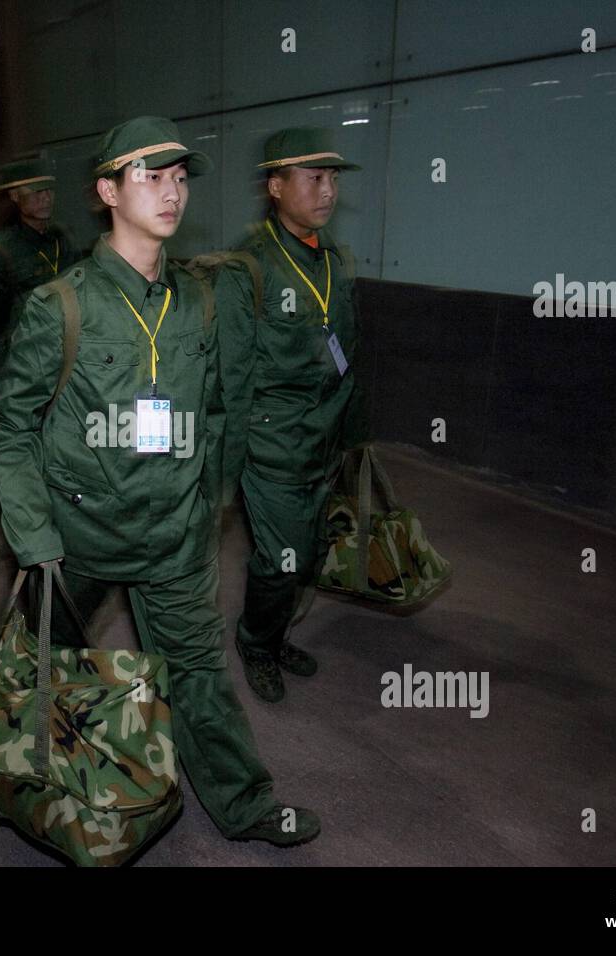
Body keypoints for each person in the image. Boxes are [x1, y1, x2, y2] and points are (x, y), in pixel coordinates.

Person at [0, 116, 320, 847]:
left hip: (174, 534)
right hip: (76, 540)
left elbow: (220, 411)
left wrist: (213, 503)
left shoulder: (197, 299)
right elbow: (8, 427)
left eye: (179, 178)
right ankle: (19, 782)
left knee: (200, 672)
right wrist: (34, 538)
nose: (171, 191)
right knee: (43, 668)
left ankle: (243, 804)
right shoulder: (62, 306)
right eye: (150, 174)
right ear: (107, 190)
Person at [216, 127, 362, 702]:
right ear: (276, 187)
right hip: (272, 446)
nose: (328, 191)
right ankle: (255, 644)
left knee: (311, 556)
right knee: (282, 561)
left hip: (324, 442)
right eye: (314, 178)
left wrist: (354, 441)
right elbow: (230, 377)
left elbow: (349, 354)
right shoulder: (247, 269)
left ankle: (273, 637)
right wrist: (226, 475)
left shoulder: (334, 259)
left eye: (332, 180)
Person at [0, 158, 77, 385]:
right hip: (28, 371)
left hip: (70, 362)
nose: (46, 198)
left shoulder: (63, 240)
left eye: (49, 190)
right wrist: (1, 383)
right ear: (14, 196)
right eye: (35, 191)